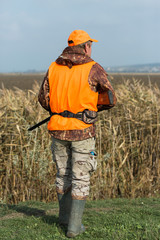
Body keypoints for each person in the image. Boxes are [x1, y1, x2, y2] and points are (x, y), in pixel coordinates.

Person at [38, 29, 117, 238]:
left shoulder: (53, 67)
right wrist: (91, 109)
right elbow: (110, 97)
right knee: (80, 177)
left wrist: (60, 110)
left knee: (62, 174)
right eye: (91, 45)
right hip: (82, 130)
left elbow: (42, 98)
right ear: (86, 46)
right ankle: (74, 227)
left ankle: (63, 220)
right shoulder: (94, 68)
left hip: (57, 128)